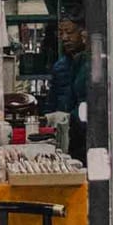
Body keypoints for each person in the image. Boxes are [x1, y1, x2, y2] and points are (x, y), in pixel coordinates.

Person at [46, 15, 90, 160]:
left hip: (85, 132)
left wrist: (71, 118)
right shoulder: (60, 66)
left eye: (70, 32)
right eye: (61, 33)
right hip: (64, 132)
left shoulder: (92, 65)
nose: (65, 38)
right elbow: (52, 100)